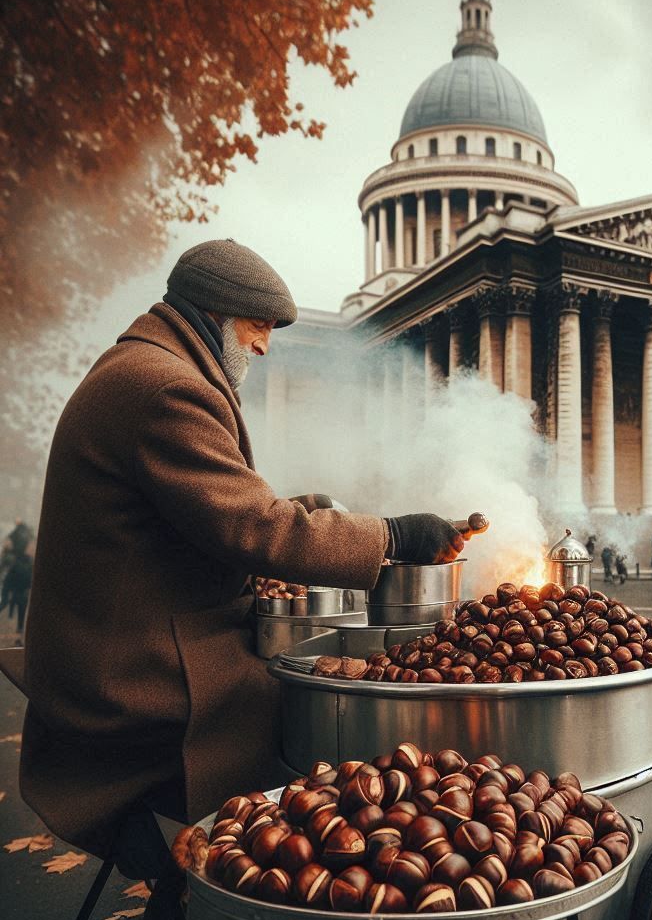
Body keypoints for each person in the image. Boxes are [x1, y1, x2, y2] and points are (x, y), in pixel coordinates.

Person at [20, 239, 466, 861]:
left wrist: (310, 509)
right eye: (258, 327)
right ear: (215, 313)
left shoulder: (152, 366)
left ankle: (215, 892)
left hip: (111, 646)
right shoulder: (165, 389)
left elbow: (215, 509)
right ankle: (266, 880)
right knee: (308, 711)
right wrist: (395, 535)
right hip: (122, 675)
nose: (264, 346)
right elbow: (254, 527)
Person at [1, 548, 32, 637]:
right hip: (23, 592)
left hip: (15, 591)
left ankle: (12, 617)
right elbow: (30, 581)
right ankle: (20, 627)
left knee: (7, 604)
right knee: (22, 610)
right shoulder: (29, 568)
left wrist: (8, 589)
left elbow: (9, 579)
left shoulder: (15, 566)